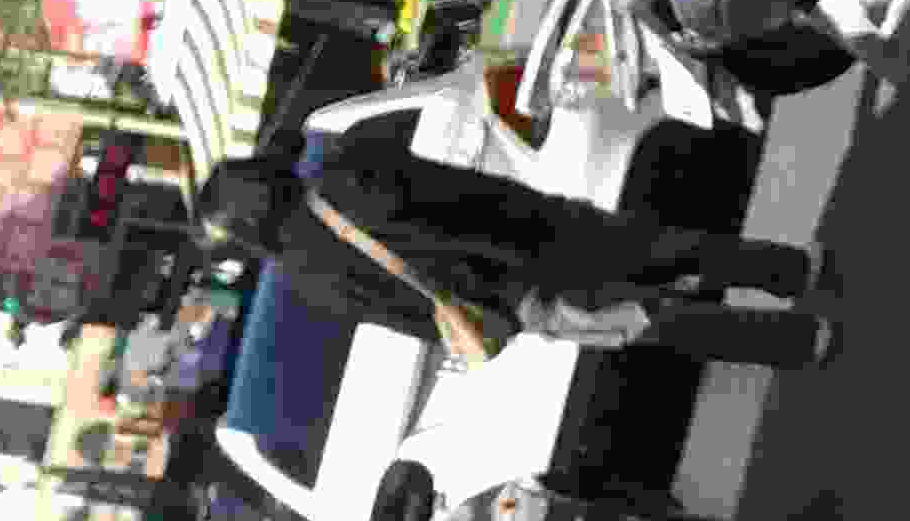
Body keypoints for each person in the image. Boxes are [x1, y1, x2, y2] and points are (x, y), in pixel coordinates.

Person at [198, 130, 837, 370]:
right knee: (665, 250)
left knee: (656, 323)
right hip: (532, 232)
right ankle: (789, 269)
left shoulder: (303, 278)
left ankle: (796, 342)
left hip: (515, 301)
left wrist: (497, 310)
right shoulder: (343, 170)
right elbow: (453, 191)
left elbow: (409, 317)